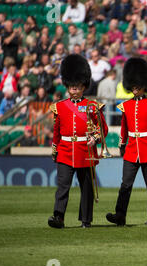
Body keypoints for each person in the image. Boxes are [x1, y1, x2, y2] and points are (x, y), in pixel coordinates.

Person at [48, 54, 109, 229]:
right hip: (65, 150)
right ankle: (58, 216)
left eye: (77, 87)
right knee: (62, 187)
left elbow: (102, 129)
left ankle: (86, 219)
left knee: (87, 188)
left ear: (83, 87)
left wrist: (95, 138)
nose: (74, 90)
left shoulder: (92, 106)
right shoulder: (59, 106)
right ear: (68, 86)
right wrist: (55, 150)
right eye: (72, 87)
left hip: (85, 150)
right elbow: (57, 132)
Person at [106, 58, 147, 226]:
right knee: (125, 185)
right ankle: (120, 215)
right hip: (131, 150)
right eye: (133, 85)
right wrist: (122, 144)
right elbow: (124, 128)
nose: (135, 88)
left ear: (144, 85)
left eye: (138, 85)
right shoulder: (126, 106)